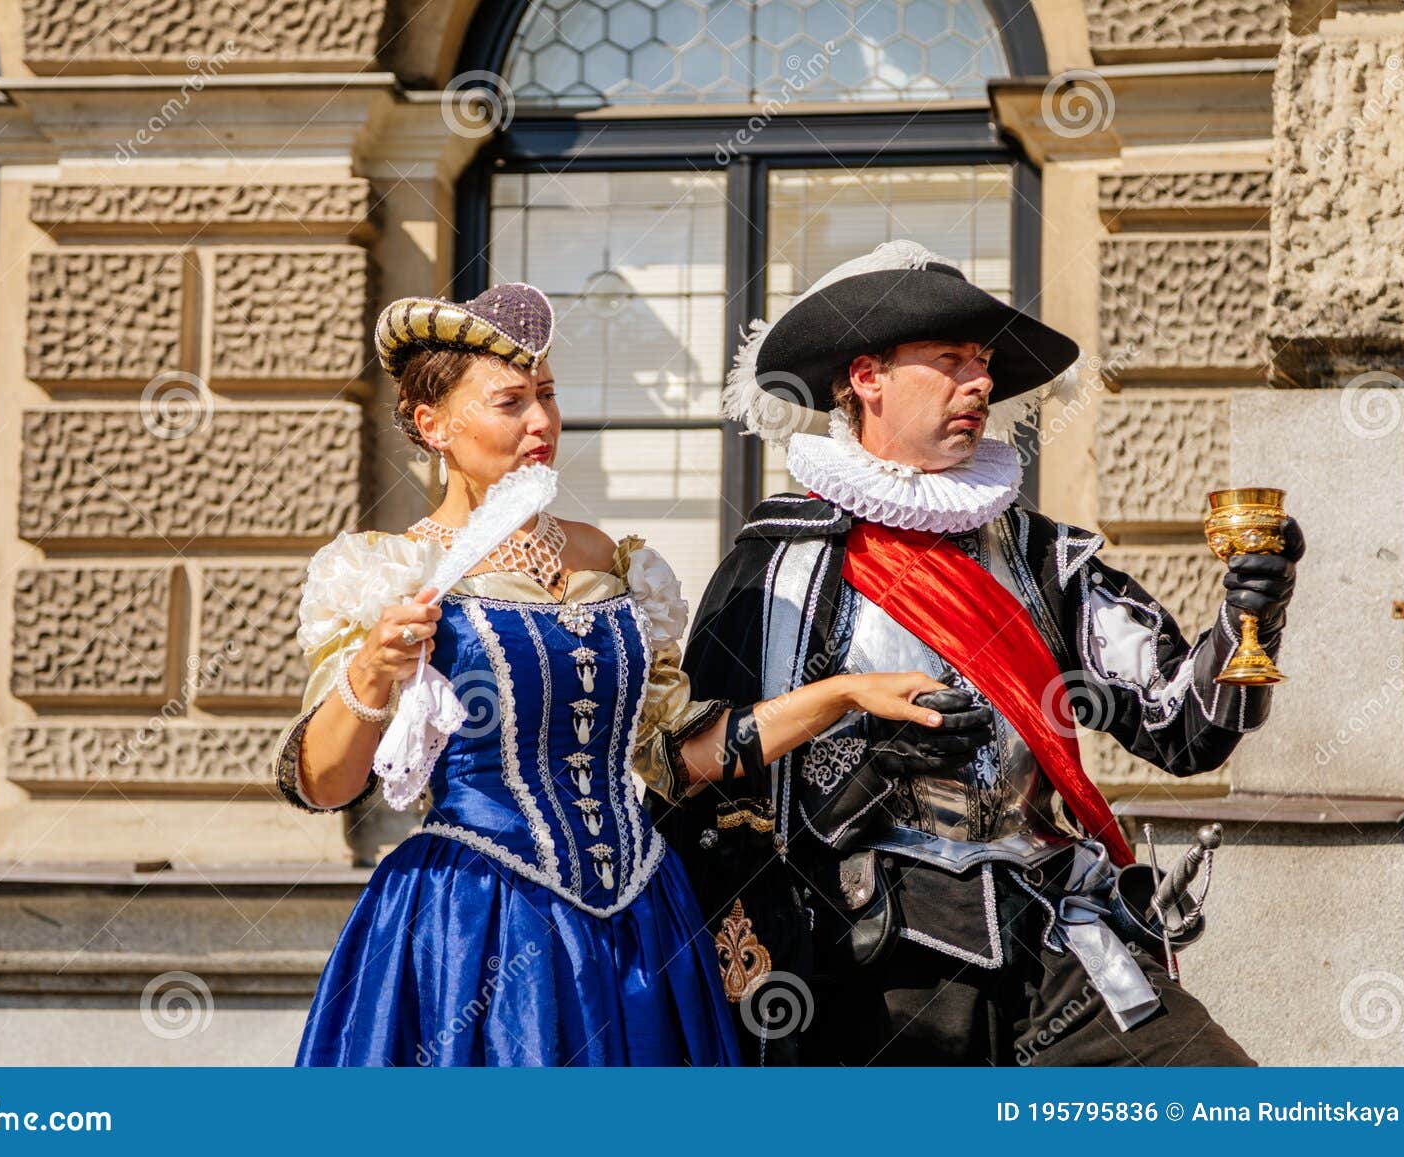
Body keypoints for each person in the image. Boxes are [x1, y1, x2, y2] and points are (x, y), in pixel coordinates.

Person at [656, 240, 1303, 1066]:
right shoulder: (776, 565)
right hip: (867, 963)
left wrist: (1253, 616)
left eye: (985, 361)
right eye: (951, 359)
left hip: (1058, 942)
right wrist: (876, 768)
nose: (982, 383)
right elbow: (712, 795)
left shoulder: (1041, 556)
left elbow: (1183, 730)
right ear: (867, 376)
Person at [270, 282, 951, 1066]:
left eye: (549, 396)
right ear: (434, 426)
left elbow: (681, 758)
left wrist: (847, 694)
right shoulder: (389, 573)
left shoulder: (614, 564)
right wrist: (372, 671)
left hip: (641, 921)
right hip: (479, 921)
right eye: (510, 402)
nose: (541, 424)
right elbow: (323, 782)